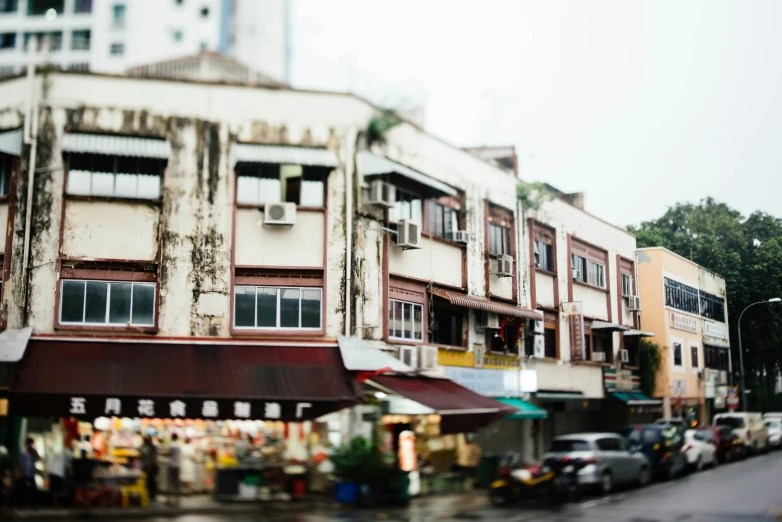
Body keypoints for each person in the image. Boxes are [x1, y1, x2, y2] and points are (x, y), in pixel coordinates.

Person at [16, 438, 39, 507]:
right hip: (24, 473)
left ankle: (33, 504)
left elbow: (38, 459)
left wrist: (34, 453)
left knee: (33, 489)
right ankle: (22, 503)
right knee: (23, 489)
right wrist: (18, 472)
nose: (30, 446)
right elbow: (19, 463)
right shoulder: (23, 453)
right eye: (29, 444)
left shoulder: (33, 452)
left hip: (31, 473)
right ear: (26, 444)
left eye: (31, 444)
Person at [139, 436, 158, 503]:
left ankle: (150, 496)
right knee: (151, 482)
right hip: (151, 467)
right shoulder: (153, 447)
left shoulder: (146, 447)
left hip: (149, 467)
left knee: (149, 482)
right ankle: (151, 496)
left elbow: (141, 452)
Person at [166, 434, 181, 506]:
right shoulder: (179, 445)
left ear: (172, 437)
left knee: (170, 481)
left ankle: (169, 498)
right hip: (177, 465)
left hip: (171, 464)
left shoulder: (171, 445)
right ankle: (177, 498)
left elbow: (168, 454)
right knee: (176, 482)